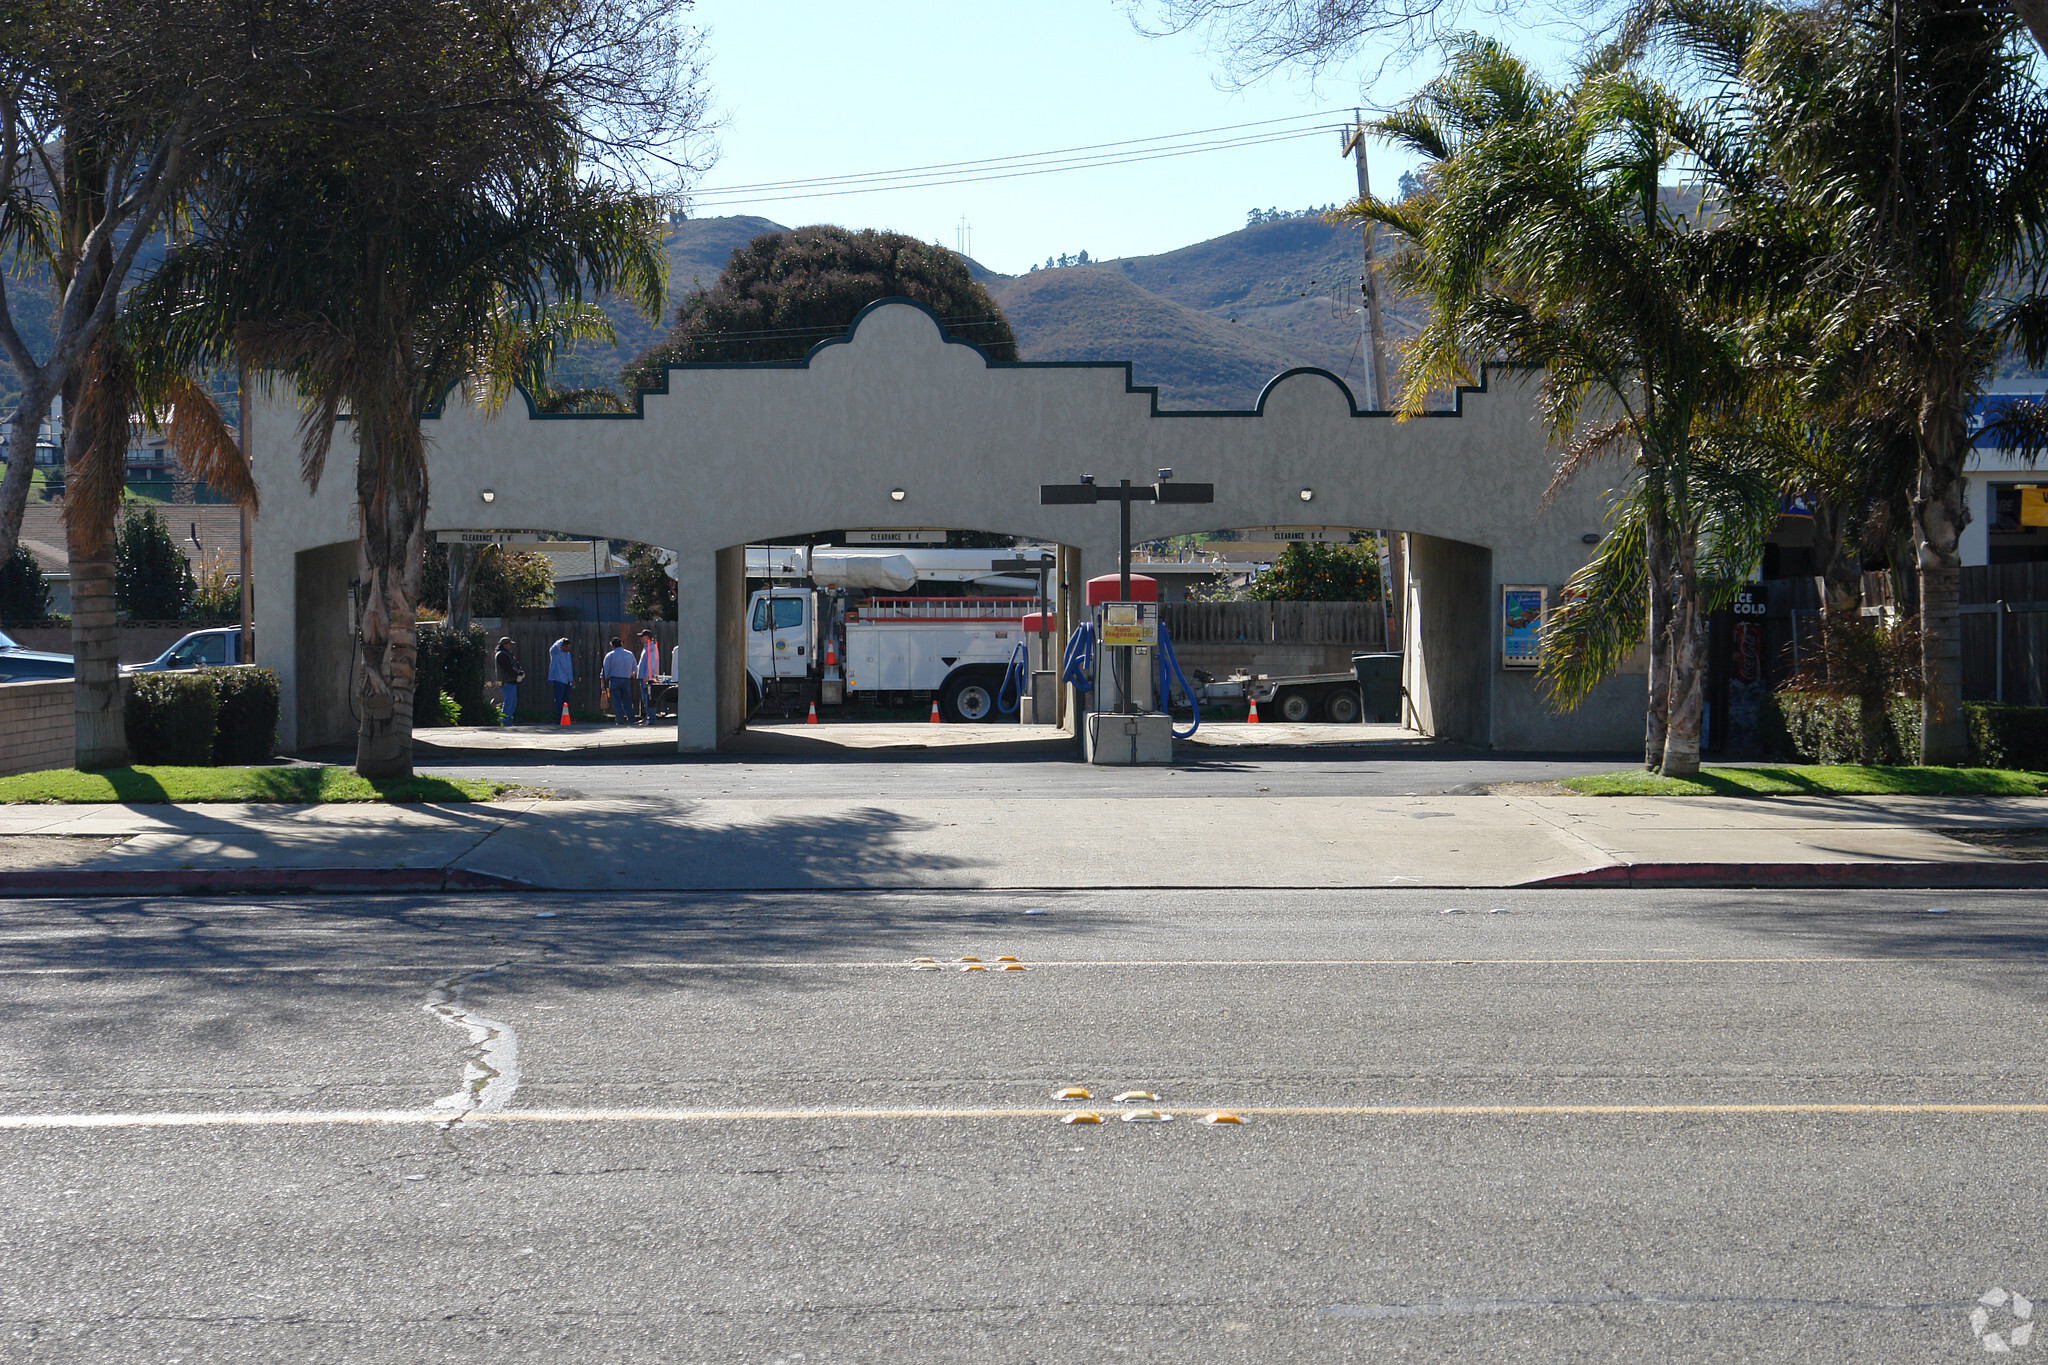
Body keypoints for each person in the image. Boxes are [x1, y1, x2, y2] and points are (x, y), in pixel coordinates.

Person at [600, 637, 636, 725]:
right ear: (621, 644)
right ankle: (631, 719)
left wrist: (603, 682)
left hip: (615, 679)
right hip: (626, 680)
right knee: (627, 700)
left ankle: (620, 720)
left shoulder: (610, 655)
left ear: (612, 646)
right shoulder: (630, 654)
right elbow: (635, 668)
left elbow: (605, 670)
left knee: (616, 701)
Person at [634, 628, 662, 724]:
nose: (641, 638)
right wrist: (636, 670)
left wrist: (647, 675)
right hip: (643, 676)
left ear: (646, 637)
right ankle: (649, 717)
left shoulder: (651, 648)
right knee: (645, 698)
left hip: (647, 678)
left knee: (648, 698)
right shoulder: (646, 647)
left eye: (642, 636)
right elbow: (643, 662)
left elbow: (652, 663)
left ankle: (651, 719)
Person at [495, 637, 524, 725]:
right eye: (509, 644)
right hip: (507, 682)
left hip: (511, 682)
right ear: (504, 644)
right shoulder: (501, 655)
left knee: (512, 703)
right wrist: (517, 674)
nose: (510, 646)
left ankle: (508, 722)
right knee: (508, 703)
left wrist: (520, 672)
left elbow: (515, 665)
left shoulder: (507, 654)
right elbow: (507, 668)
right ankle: (504, 723)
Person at [548, 637, 574, 721]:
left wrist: (571, 679)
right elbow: (554, 647)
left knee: (565, 701)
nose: (569, 649)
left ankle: (564, 718)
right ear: (563, 646)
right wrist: (562, 640)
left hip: (566, 681)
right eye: (568, 647)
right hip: (558, 679)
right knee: (559, 701)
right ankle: (558, 719)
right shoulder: (556, 652)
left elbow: (569, 668)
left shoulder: (568, 654)